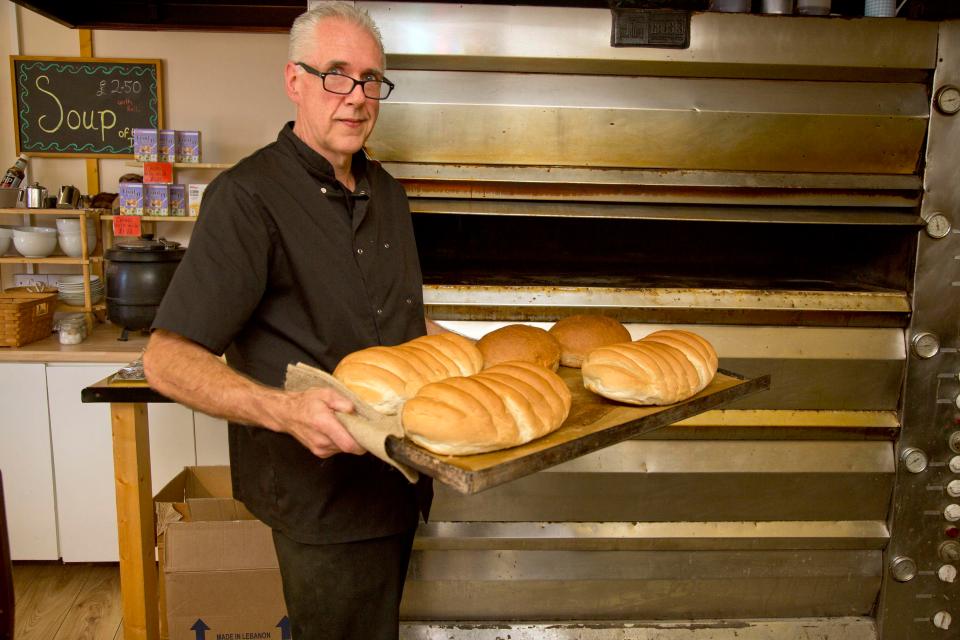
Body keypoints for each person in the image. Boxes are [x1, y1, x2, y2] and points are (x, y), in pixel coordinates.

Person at [143, 4, 440, 638]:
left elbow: (401, 330)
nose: (357, 97)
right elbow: (166, 359)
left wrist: (477, 365)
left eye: (370, 80)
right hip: (320, 498)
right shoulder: (248, 198)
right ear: (294, 81)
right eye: (337, 74)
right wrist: (285, 412)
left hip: (398, 484)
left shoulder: (387, 192)